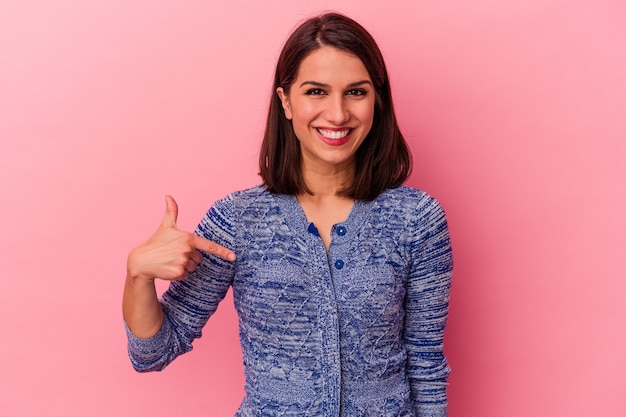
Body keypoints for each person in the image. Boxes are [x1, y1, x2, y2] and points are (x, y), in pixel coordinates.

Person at [123, 12, 453, 417]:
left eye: (355, 92)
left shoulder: (417, 219)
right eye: (316, 91)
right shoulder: (238, 220)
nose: (337, 114)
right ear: (286, 101)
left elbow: (426, 365)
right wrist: (138, 275)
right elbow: (153, 352)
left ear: (376, 101)